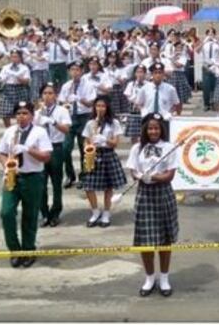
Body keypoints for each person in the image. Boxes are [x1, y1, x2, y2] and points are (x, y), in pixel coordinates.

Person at [125, 113, 180, 297]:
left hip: (163, 194)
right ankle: (149, 278)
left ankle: (164, 278)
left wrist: (154, 176)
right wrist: (139, 176)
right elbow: (133, 170)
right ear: (145, 130)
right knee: (145, 241)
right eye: (150, 128)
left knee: (165, 240)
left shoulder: (169, 147)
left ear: (161, 129)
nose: (153, 131)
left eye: (156, 128)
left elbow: (170, 175)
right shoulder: (136, 148)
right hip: (144, 195)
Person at [0, 101, 53, 268]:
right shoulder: (9, 131)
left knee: (30, 216)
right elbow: (0, 153)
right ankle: (15, 250)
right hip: (12, 176)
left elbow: (46, 156)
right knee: (6, 213)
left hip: (32, 177)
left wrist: (28, 149)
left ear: (32, 115)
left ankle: (28, 250)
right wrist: (6, 165)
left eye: (25, 113)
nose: (21, 117)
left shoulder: (39, 132)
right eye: (19, 113)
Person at [81, 96, 126, 228]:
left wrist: (105, 140)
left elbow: (116, 143)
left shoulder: (114, 123)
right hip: (93, 155)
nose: (100, 109)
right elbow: (86, 139)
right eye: (97, 106)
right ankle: (95, 212)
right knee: (88, 186)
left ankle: (106, 213)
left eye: (103, 106)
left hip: (108, 154)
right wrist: (87, 148)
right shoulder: (90, 123)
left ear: (107, 108)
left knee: (108, 186)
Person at [35, 83, 72, 227]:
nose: (47, 96)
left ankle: (56, 212)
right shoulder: (38, 112)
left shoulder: (62, 110)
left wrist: (53, 122)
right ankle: (44, 213)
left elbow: (66, 130)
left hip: (56, 147)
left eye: (50, 93)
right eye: (44, 93)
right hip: (41, 149)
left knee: (57, 183)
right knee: (41, 184)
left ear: (55, 95)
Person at [59, 62, 93, 189]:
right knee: (65, 149)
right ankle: (70, 175)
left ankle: (84, 176)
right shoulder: (66, 86)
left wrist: (79, 98)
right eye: (72, 70)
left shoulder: (88, 85)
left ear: (82, 71)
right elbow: (62, 101)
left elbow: (90, 104)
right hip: (69, 117)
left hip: (84, 116)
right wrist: (66, 103)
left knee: (83, 148)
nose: (75, 72)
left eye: (77, 70)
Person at [0, 49, 32, 128]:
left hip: (20, 89)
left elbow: (27, 81)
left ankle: (20, 127)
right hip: (8, 89)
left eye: (16, 57)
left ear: (20, 58)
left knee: (21, 110)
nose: (14, 59)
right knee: (5, 111)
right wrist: (3, 78)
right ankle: (8, 128)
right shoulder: (6, 67)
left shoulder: (24, 68)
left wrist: (18, 77)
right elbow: (0, 78)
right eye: (12, 57)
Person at [122, 65, 148, 143]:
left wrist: (141, 103)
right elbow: (127, 95)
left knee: (144, 132)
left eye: (141, 72)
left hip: (144, 110)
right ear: (135, 74)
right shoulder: (131, 84)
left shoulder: (148, 84)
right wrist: (136, 101)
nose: (139, 74)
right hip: (134, 110)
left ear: (145, 73)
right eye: (138, 72)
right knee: (134, 134)